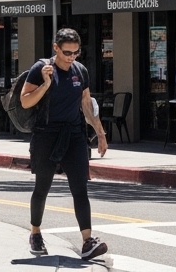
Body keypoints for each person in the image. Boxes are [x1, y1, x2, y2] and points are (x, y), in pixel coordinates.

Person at [21, 28, 110, 261]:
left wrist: (100, 133)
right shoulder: (41, 70)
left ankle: (87, 241)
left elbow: (86, 105)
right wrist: (46, 84)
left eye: (75, 52)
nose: (71, 57)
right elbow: (25, 100)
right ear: (56, 48)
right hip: (46, 136)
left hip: (74, 136)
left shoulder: (80, 71)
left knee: (80, 189)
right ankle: (36, 233)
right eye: (67, 52)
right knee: (42, 188)